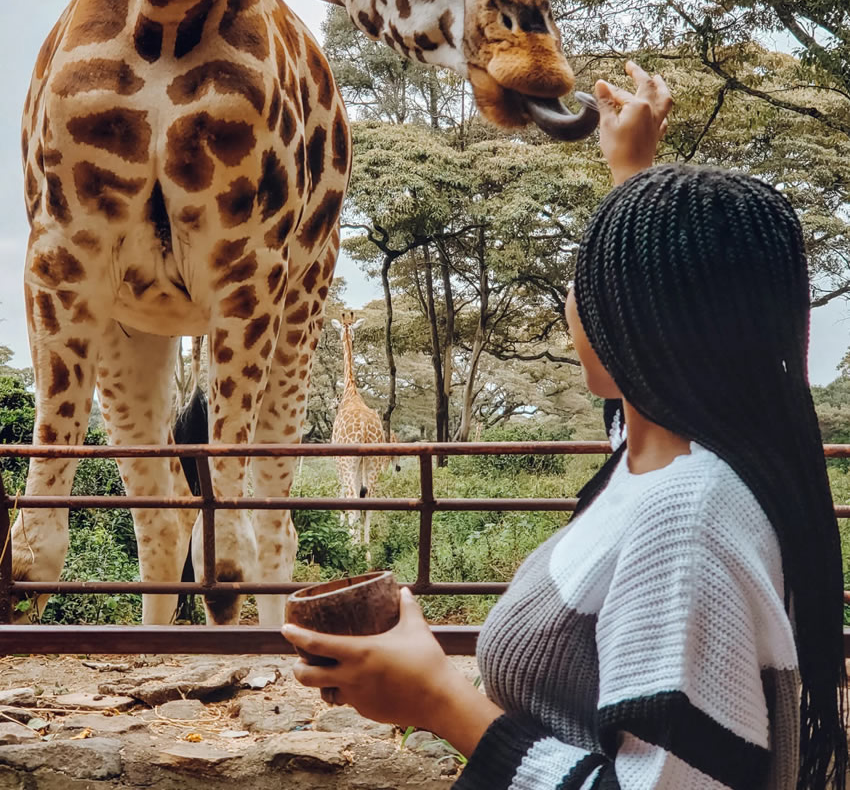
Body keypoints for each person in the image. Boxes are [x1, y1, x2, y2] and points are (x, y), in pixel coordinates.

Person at [282, 63, 848, 789]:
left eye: (590, 275)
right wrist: (631, 169)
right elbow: (639, 396)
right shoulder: (672, 458)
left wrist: (441, 702)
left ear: (627, 316)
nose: (573, 300)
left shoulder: (687, 520)